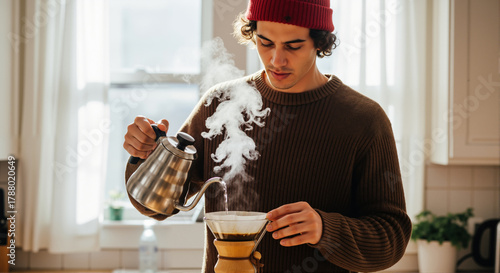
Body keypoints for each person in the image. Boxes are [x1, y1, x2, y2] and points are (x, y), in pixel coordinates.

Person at [123, 0, 412, 272]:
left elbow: (392, 236)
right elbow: (156, 208)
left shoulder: (364, 119)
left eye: (293, 45)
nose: (276, 59)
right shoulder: (220, 103)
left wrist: (325, 228)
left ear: (320, 41)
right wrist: (145, 155)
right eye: (265, 42)